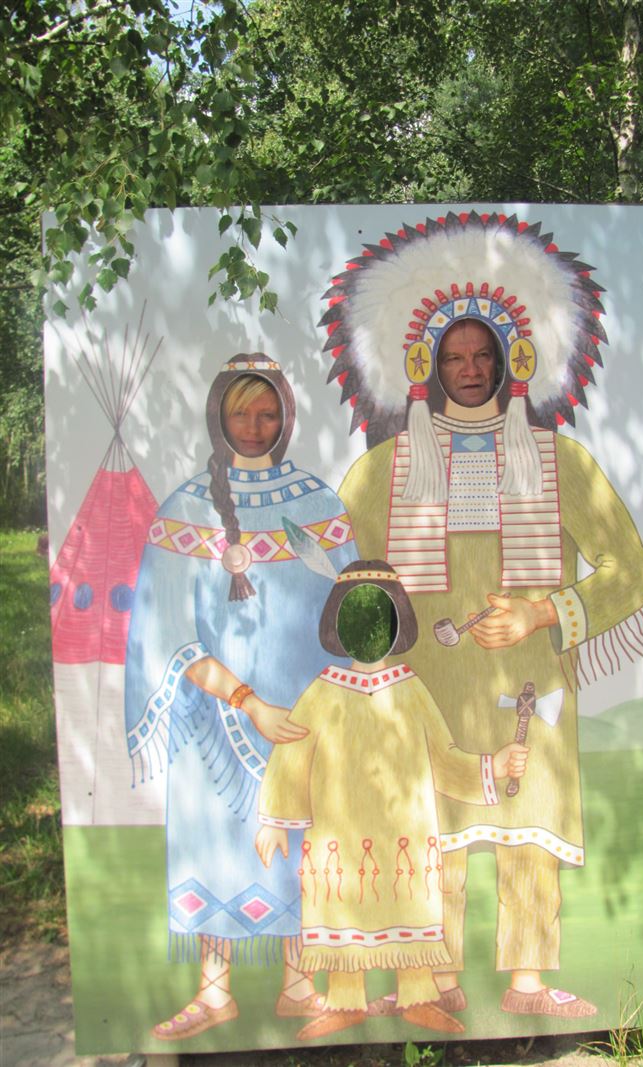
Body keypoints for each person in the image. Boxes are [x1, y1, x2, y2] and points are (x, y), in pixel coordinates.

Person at [322, 212, 643, 1017]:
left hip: (528, 683)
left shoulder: (559, 460)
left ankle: (528, 981)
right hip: (425, 687)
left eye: (483, 356)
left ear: (511, 361)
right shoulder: (382, 471)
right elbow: (338, 574)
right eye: (455, 357)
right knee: (429, 827)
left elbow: (634, 571)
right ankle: (433, 980)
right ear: (428, 365)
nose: (470, 370)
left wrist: (545, 611)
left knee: (528, 824)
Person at [125, 355, 358, 1040]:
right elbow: (169, 633)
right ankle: (214, 991)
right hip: (214, 718)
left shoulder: (319, 506)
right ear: (217, 416)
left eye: (267, 412)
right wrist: (248, 700)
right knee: (213, 841)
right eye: (240, 412)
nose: (254, 426)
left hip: (303, 717)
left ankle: (299, 984)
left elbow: (350, 613)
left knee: (298, 841)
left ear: (286, 416)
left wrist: (330, 708)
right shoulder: (187, 509)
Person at [255, 560, 529, 1040]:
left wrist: (495, 766)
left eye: (377, 615)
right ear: (337, 623)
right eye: (357, 616)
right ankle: (345, 1001)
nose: (367, 627)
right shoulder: (322, 692)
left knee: (408, 907)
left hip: (406, 832)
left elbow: (444, 756)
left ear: (397, 621)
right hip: (340, 834)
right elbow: (292, 752)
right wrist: (274, 819)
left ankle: (418, 998)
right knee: (344, 904)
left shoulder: (410, 690)